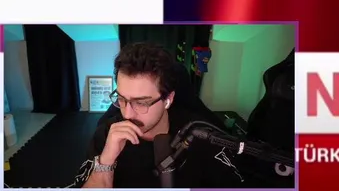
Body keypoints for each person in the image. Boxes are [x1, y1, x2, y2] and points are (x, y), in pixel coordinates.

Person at [79, 42, 244, 188]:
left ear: (168, 100)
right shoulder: (107, 134)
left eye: (141, 103)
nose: (127, 114)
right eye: (122, 99)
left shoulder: (201, 137)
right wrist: (106, 161)